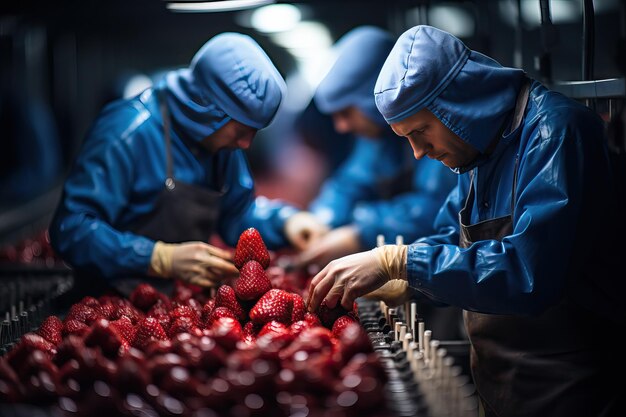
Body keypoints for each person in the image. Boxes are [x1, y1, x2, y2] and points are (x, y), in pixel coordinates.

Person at [307, 25, 625, 417]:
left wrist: (402, 262)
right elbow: (448, 239)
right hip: (505, 378)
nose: (419, 153)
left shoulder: (555, 134)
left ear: (457, 106)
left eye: (421, 131)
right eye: (406, 137)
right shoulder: (480, 153)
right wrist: (402, 280)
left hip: (574, 382)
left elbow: (529, 273)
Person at [49, 32, 324, 296]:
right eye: (240, 131)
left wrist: (286, 222)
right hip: (109, 309)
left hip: (177, 305)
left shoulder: (219, 140)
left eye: (254, 132)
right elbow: (72, 228)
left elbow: (236, 215)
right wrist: (158, 257)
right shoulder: (128, 133)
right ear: (208, 107)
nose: (246, 144)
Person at [295, 26, 456, 269]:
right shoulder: (377, 137)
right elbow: (351, 182)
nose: (341, 127)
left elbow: (439, 208)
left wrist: (360, 233)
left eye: (346, 112)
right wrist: (321, 219)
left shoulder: (442, 132)